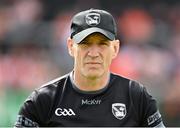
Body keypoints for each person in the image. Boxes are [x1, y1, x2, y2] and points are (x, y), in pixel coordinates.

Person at [14, 8, 165, 127]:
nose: (93, 53)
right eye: (85, 44)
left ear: (115, 49)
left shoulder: (137, 97)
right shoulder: (42, 101)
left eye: (102, 44)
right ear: (71, 46)